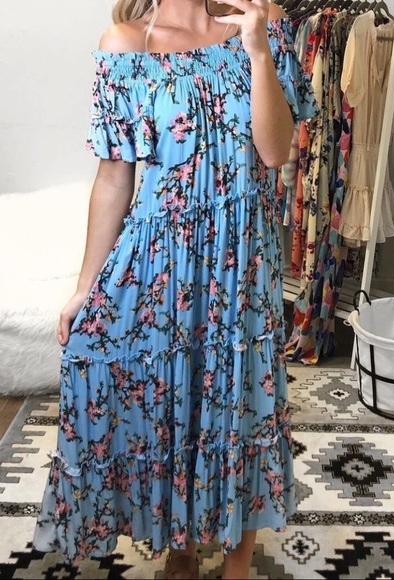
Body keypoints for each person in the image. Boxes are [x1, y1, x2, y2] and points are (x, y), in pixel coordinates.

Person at [32, 0, 317, 577]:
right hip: (161, 260)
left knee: (241, 404)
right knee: (168, 399)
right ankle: (180, 547)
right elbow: (115, 176)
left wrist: (259, 52)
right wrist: (85, 287)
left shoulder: (262, 23)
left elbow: (274, 151)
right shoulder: (125, 44)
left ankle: (238, 562)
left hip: (242, 261)